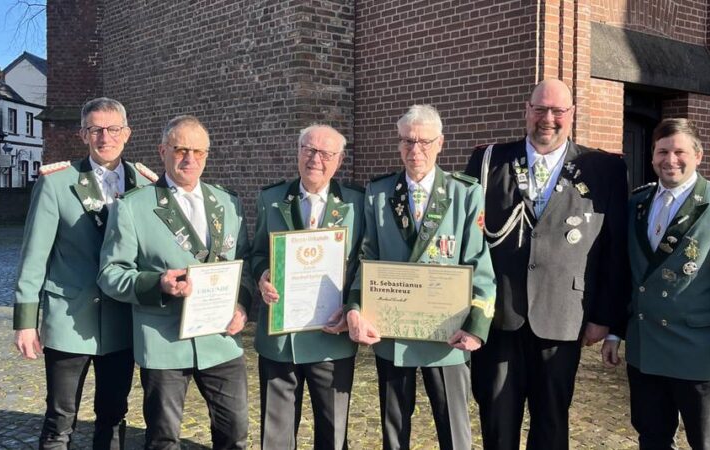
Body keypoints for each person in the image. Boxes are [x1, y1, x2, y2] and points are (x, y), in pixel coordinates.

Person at [464, 79, 629, 449]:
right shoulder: (489, 160)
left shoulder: (603, 168)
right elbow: (467, 239)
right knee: (497, 421)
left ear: (572, 114)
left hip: (563, 316)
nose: (548, 118)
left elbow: (614, 250)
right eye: (540, 109)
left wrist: (605, 317)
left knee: (552, 424)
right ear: (527, 110)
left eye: (558, 111)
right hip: (498, 316)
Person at [601, 118, 710, 449]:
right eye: (662, 151)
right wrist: (615, 332)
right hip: (647, 351)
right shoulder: (637, 203)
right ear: (652, 156)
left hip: (699, 355)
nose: (670, 160)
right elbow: (628, 275)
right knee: (652, 439)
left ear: (698, 155)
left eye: (680, 152)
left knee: (708, 444)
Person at [97, 115, 254, 449]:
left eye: (198, 152)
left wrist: (242, 304)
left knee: (235, 434)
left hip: (221, 338)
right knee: (164, 439)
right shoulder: (133, 207)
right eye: (181, 150)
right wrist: (158, 284)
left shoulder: (228, 203)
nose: (189, 159)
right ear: (163, 151)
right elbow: (110, 274)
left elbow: (244, 264)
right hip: (163, 341)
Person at [345, 104, 496, 450]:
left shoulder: (464, 193)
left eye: (424, 142)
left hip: (448, 333)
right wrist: (354, 306)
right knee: (394, 428)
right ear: (398, 143)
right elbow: (367, 257)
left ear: (440, 143)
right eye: (407, 141)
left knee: (454, 429)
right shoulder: (379, 193)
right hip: (392, 330)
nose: (415, 150)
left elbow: (478, 262)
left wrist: (477, 326)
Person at [12, 97, 157, 449]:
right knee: (59, 419)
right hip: (68, 318)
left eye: (113, 129)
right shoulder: (57, 183)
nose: (105, 137)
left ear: (127, 133)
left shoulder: (146, 184)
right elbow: (34, 256)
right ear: (82, 135)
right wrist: (26, 322)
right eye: (96, 130)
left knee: (114, 415)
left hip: (122, 320)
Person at [252, 124, 364, 449]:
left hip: (332, 336)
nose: (315, 159)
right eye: (309, 149)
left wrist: (354, 307)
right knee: (276, 437)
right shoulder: (271, 198)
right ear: (298, 152)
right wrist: (262, 275)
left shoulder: (357, 203)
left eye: (326, 153)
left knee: (332, 434)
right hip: (280, 339)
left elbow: (363, 263)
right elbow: (257, 253)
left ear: (339, 160)